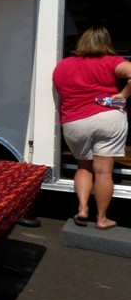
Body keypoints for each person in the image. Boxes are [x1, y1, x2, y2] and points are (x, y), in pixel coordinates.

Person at [52, 27, 131, 230]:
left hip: (75, 122)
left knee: (84, 167)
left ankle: (82, 209)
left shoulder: (63, 65)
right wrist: (123, 94)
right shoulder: (111, 61)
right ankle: (102, 219)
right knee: (104, 171)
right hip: (107, 119)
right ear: (106, 42)